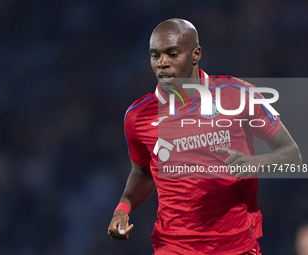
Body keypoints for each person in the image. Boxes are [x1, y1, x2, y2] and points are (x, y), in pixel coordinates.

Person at [107, 18, 302, 255]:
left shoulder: (238, 95)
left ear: (195, 54)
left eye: (172, 53)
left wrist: (255, 162)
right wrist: (122, 208)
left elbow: (292, 155)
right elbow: (142, 172)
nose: (162, 63)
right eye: (155, 55)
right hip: (174, 247)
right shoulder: (137, 116)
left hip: (237, 246)